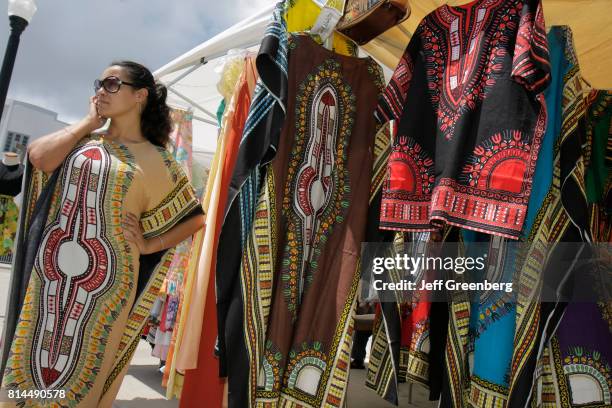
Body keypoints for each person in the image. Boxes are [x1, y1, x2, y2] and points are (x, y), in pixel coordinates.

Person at [0, 61, 204, 407]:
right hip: (48, 282)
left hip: (104, 293)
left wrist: (149, 243)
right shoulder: (81, 141)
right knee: (23, 376)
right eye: (100, 83)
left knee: (82, 379)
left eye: (112, 84)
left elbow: (194, 218)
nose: (100, 90)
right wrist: (87, 123)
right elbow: (38, 158)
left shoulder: (159, 161)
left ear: (139, 95)